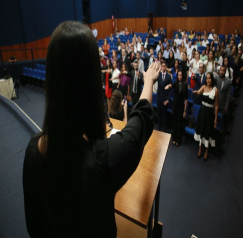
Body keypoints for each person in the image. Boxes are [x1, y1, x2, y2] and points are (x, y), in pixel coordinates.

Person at [23, 21, 160, 238]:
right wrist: (149, 81)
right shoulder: (102, 162)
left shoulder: (32, 151)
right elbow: (140, 121)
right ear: (91, 83)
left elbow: (33, 227)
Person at [193, 72, 219, 161]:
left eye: (209, 78)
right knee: (201, 129)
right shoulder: (203, 87)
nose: (208, 80)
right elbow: (198, 93)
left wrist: (215, 119)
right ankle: (200, 149)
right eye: (207, 78)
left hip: (209, 113)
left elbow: (216, 105)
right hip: (202, 112)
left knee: (207, 131)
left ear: (212, 79)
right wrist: (196, 92)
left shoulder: (215, 90)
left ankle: (206, 152)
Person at [165, 70, 188, 146]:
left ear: (182, 76)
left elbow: (186, 99)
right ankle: (174, 138)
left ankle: (178, 139)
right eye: (178, 75)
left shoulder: (185, 85)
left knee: (179, 123)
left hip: (181, 107)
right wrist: (168, 86)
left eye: (181, 75)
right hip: (175, 105)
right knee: (174, 122)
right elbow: (171, 85)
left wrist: (185, 111)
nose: (179, 77)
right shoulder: (176, 82)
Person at [215, 65, 231, 133]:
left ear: (225, 71)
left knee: (220, 120)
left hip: (222, 105)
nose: (222, 72)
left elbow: (228, 95)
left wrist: (226, 106)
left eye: (223, 71)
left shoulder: (228, 81)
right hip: (215, 103)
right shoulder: (216, 78)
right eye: (221, 70)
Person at [157, 62, 172, 132]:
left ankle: (164, 128)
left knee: (164, 115)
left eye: (164, 66)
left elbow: (170, 90)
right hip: (159, 98)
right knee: (159, 114)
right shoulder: (159, 75)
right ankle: (159, 127)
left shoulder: (169, 77)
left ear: (166, 67)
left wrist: (168, 99)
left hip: (165, 99)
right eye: (162, 66)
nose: (163, 67)